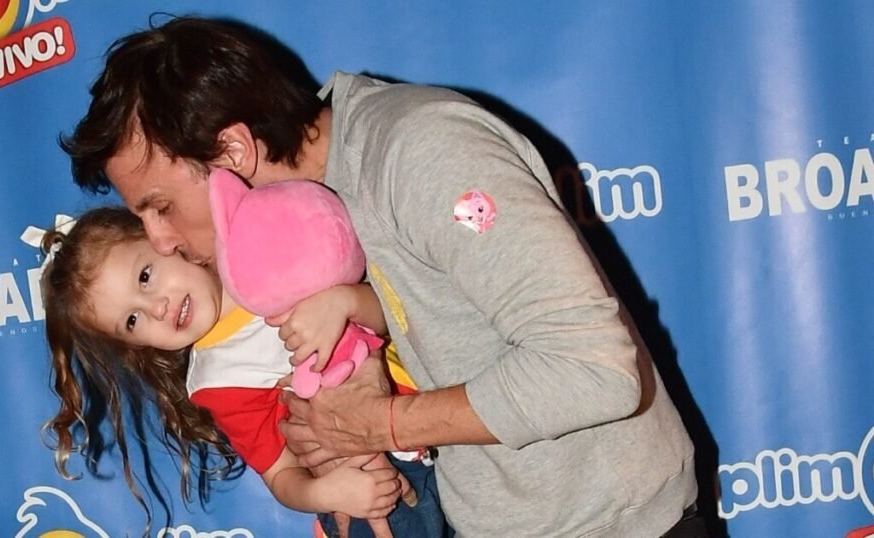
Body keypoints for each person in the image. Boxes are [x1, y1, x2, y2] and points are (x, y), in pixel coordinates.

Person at [61, 16, 704, 537]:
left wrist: (382, 424)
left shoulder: (419, 150)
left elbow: (595, 371)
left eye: (161, 207)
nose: (161, 240)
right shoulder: (297, 222)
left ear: (232, 151)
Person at [37, 206, 450, 538]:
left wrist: (348, 302)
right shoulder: (218, 383)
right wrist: (327, 492)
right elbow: (281, 475)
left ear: (166, 240)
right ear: (137, 346)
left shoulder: (268, 249)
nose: (157, 308)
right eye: (132, 320)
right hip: (376, 478)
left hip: (443, 411)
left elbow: (395, 314)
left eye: (145, 277)